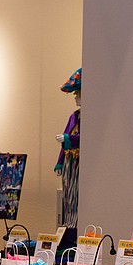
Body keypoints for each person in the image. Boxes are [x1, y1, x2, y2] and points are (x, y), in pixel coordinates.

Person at [54, 68, 81, 252]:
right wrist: (60, 161)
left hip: (80, 165)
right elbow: (64, 140)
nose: (75, 98)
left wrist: (70, 139)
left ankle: (77, 233)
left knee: (78, 197)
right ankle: (69, 231)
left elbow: (87, 138)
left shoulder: (92, 117)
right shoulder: (74, 116)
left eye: (77, 93)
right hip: (70, 165)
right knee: (69, 199)